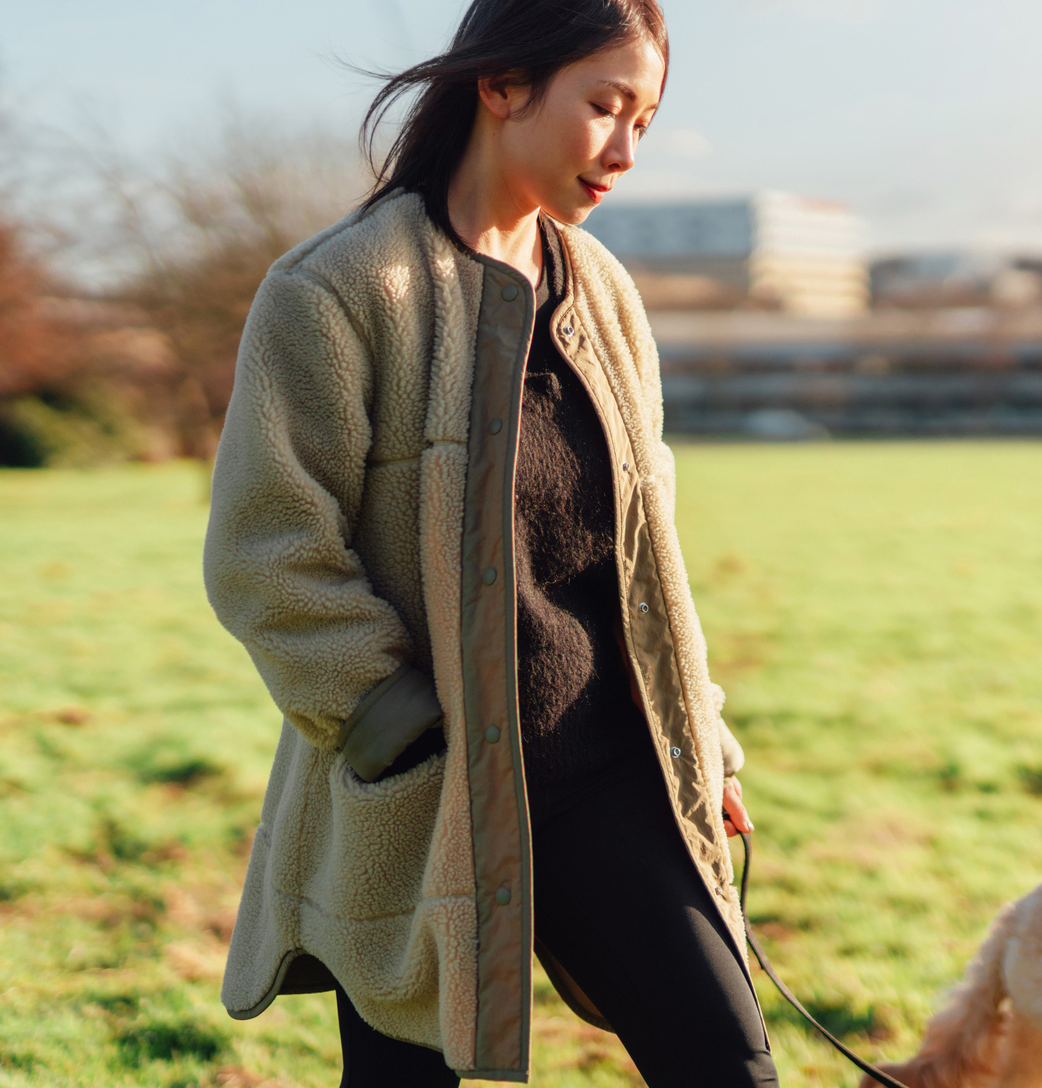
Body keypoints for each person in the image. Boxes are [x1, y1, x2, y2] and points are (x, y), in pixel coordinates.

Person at [201, 1, 776, 1085]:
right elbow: (265, 553)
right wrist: (397, 725)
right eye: (605, 106)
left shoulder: (605, 292)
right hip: (434, 798)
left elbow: (648, 561)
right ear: (502, 84)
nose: (625, 149)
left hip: (613, 778)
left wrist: (702, 747)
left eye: (646, 121)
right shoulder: (333, 293)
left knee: (731, 1065)